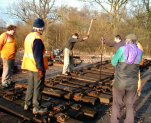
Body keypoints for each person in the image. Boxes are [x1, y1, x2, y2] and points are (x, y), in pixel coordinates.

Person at [110, 34, 143, 123]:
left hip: (120, 83)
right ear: (136, 41)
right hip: (132, 84)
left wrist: (115, 58)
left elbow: (113, 62)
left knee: (116, 104)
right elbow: (138, 64)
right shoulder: (140, 52)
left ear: (127, 40)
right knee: (130, 105)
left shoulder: (122, 49)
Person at [21, 18, 48, 114]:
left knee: (31, 86)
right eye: (42, 28)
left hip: (30, 66)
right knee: (38, 87)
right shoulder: (37, 38)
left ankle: (27, 104)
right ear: (40, 28)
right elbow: (38, 56)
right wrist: (41, 69)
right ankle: (36, 107)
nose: (43, 30)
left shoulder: (29, 36)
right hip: (37, 68)